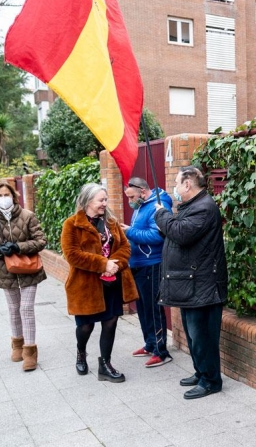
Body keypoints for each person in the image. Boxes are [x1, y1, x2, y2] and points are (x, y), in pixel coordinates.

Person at [154, 166, 227, 400]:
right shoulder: (191, 207)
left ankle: (211, 381)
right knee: (194, 334)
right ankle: (201, 372)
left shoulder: (204, 208)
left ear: (187, 184)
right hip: (191, 285)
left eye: (176, 183)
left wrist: (161, 214)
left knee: (203, 336)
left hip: (203, 286)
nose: (174, 188)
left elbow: (181, 233)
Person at [61, 183, 139, 383]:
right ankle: (81, 352)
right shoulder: (72, 224)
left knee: (110, 322)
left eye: (106, 200)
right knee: (86, 326)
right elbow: (72, 255)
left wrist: (115, 265)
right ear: (88, 201)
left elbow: (125, 247)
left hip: (111, 283)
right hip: (85, 286)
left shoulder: (111, 222)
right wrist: (102, 263)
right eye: (101, 200)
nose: (105, 203)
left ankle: (105, 364)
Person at [0, 182, 47, 372]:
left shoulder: (28, 216)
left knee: (26, 309)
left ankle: (30, 352)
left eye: (6, 194)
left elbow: (41, 241)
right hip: (6, 271)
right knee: (13, 309)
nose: (3, 198)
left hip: (29, 270)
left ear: (14, 196)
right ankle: (17, 344)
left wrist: (19, 247)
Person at [123, 177, 173, 367]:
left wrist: (128, 232)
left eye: (132, 197)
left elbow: (157, 236)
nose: (130, 201)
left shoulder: (158, 205)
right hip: (137, 264)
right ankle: (150, 344)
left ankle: (161, 352)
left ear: (143, 191)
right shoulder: (140, 207)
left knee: (153, 308)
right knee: (143, 308)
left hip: (152, 263)